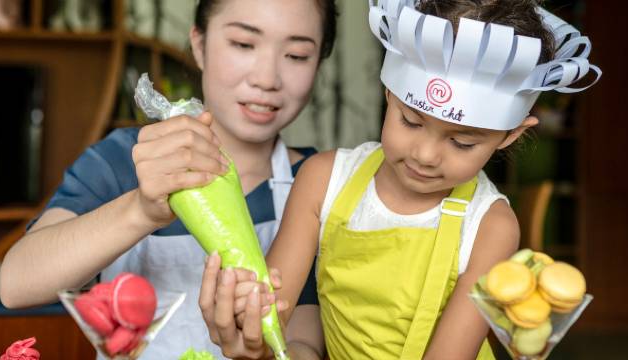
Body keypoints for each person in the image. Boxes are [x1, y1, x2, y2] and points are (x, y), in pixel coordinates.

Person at [198, 0, 600, 359]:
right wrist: (253, 336)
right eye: (410, 121)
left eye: (462, 142)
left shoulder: (490, 226)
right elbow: (274, 316)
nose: (424, 155)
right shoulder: (323, 180)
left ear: (510, 135)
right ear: (388, 91)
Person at [0, 0, 337, 358]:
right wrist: (141, 210)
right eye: (243, 44)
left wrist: (264, 354)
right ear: (200, 45)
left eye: (297, 55)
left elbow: (303, 343)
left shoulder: (319, 185)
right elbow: (17, 284)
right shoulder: (126, 160)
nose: (267, 78)